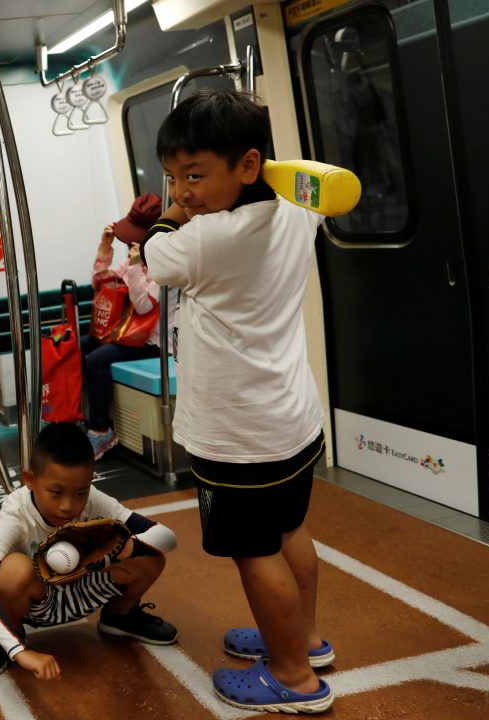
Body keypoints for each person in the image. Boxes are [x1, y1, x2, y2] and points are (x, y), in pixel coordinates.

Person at [142, 88, 334, 714]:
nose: (183, 191)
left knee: (257, 554)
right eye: (173, 177)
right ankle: (303, 639)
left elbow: (156, 250)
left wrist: (169, 211)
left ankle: (293, 678)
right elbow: (298, 187)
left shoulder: (206, 240)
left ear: (248, 165)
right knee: (291, 530)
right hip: (293, 418)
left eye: (195, 175)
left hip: (239, 435)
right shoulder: (299, 207)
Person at [0, 423, 178, 680]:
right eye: (56, 492)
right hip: (37, 604)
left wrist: (129, 547)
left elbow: (167, 536)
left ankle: (119, 617)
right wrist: (18, 650)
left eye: (80, 492)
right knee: (12, 570)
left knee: (149, 556)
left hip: (82, 587)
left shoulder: (94, 498)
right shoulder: (16, 512)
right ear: (30, 480)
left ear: (90, 481)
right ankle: (6, 638)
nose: (68, 505)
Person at [80, 193, 166, 459]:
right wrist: (104, 249)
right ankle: (78, 413)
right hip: (127, 333)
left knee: (96, 360)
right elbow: (103, 285)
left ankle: (101, 430)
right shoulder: (133, 258)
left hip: (153, 343)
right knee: (78, 346)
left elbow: (144, 306)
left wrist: (137, 267)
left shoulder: (163, 263)